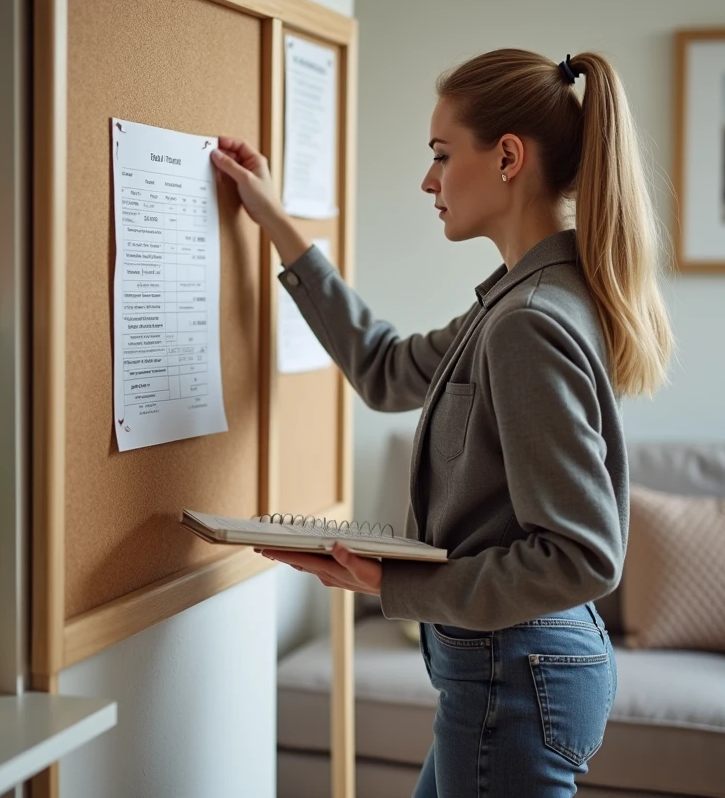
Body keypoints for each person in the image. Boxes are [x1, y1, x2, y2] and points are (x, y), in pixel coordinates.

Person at [212, 48, 673, 797]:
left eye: (441, 154)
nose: (428, 179)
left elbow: (583, 556)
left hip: (515, 679)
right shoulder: (519, 302)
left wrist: (398, 585)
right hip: (509, 674)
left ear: (508, 158)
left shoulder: (529, 321)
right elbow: (386, 368)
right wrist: (273, 220)